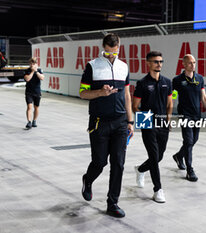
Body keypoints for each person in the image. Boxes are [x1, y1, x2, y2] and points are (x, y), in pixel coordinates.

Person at [79, 33, 134, 218]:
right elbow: (82, 93)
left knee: (118, 163)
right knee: (100, 162)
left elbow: (127, 95)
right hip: (99, 122)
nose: (111, 55)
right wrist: (100, 93)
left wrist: (130, 121)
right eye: (108, 52)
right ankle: (88, 179)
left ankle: (113, 203)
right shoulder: (92, 66)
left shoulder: (123, 66)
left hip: (120, 122)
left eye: (115, 52)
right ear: (102, 47)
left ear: (119, 47)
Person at [132, 51, 173, 203]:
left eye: (161, 61)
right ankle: (158, 189)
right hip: (147, 122)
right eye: (156, 61)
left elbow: (170, 103)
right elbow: (135, 106)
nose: (159, 64)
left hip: (163, 122)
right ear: (148, 63)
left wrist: (168, 119)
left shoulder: (167, 82)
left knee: (159, 156)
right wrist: (145, 119)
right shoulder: (142, 83)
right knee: (154, 157)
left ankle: (140, 169)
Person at [172, 54, 206, 182]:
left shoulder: (199, 78)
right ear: (184, 64)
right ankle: (190, 170)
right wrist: (168, 112)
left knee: (194, 139)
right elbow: (173, 96)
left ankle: (179, 156)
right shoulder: (177, 80)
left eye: (194, 62)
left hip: (196, 114)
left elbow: (204, 96)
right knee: (189, 141)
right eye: (190, 63)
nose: (193, 65)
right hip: (185, 114)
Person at [24, 57, 44, 129]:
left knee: (36, 107)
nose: (32, 65)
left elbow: (42, 78)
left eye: (33, 63)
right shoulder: (27, 70)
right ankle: (29, 122)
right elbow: (27, 79)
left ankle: (34, 121)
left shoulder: (39, 70)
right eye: (31, 63)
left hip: (37, 92)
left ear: (36, 64)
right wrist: (32, 72)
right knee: (29, 107)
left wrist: (36, 72)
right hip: (29, 92)